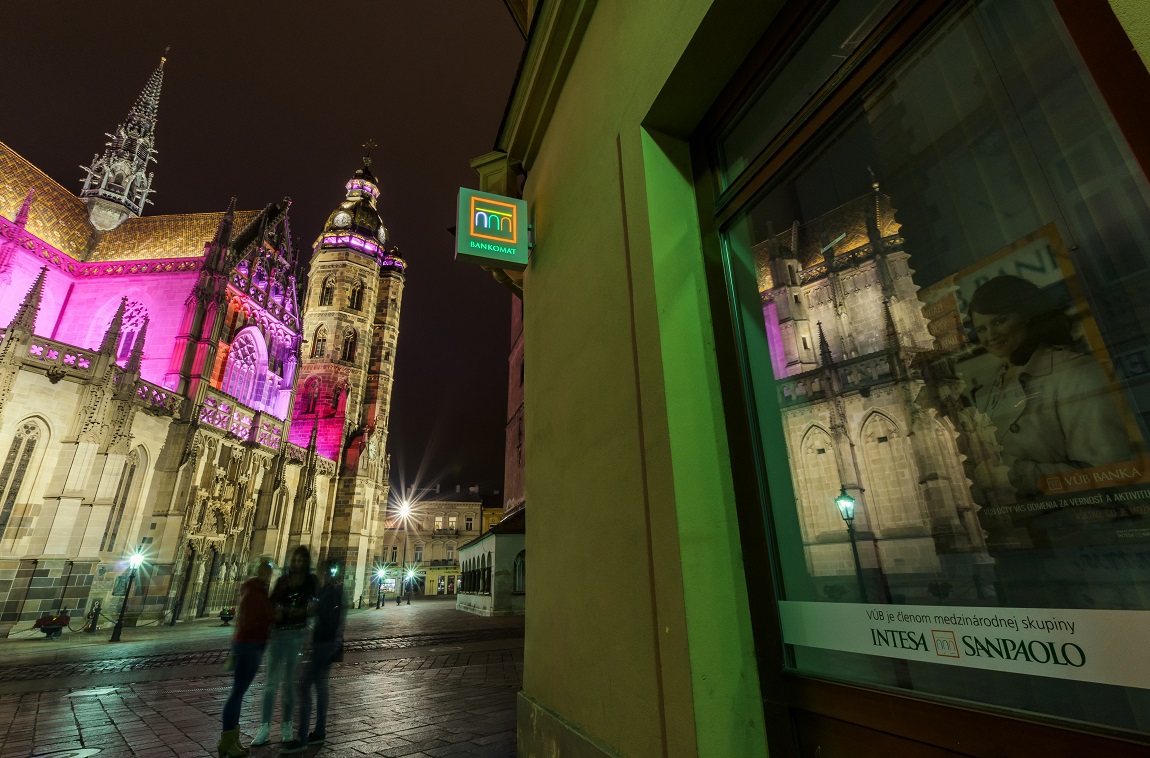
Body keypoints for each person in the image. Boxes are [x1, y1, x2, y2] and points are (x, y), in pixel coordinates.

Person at [968, 275, 1133, 497]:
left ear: (1027, 316)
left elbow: (1108, 473)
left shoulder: (1075, 372)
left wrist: (1014, 473)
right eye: (981, 330)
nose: (991, 336)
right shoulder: (990, 387)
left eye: (999, 321)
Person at [251, 546, 317, 746]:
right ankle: (264, 728)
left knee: (288, 683)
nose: (297, 564)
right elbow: (271, 605)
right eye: (295, 560)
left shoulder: (310, 582)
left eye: (301, 561)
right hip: (278, 635)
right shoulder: (282, 581)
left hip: (296, 635)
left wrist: (296, 613)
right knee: (271, 683)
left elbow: (314, 606)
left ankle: (287, 726)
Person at [282, 558, 345, 752]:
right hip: (328, 642)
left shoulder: (333, 590)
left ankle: (302, 738)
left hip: (325, 642)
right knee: (321, 685)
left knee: (305, 685)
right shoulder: (331, 589)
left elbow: (329, 615)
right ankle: (319, 731)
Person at [218, 557, 273, 758]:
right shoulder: (254, 591)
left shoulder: (256, 589)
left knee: (238, 692)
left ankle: (231, 740)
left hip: (250, 645)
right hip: (249, 645)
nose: (269, 573)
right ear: (258, 570)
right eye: (266, 569)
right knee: (237, 693)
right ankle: (228, 740)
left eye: (269, 570)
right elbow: (250, 620)